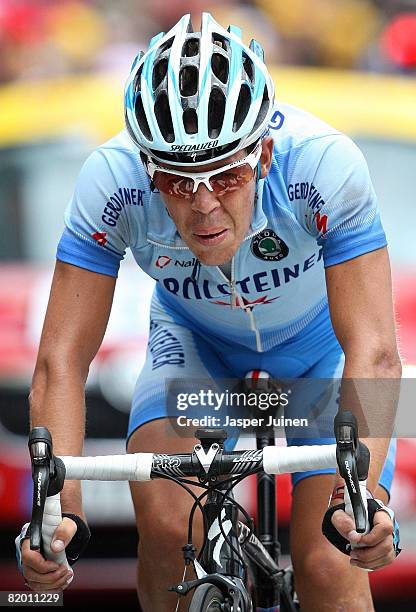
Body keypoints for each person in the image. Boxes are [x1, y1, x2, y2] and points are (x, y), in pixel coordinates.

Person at [16, 13, 401, 612]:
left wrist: (363, 498)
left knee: (332, 558)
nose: (203, 205)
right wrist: (56, 513)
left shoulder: (324, 165)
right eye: (175, 180)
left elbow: (375, 349)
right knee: (171, 533)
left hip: (320, 359)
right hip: (197, 348)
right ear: (148, 169)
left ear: (265, 154)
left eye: (228, 174)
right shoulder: (111, 182)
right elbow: (60, 361)